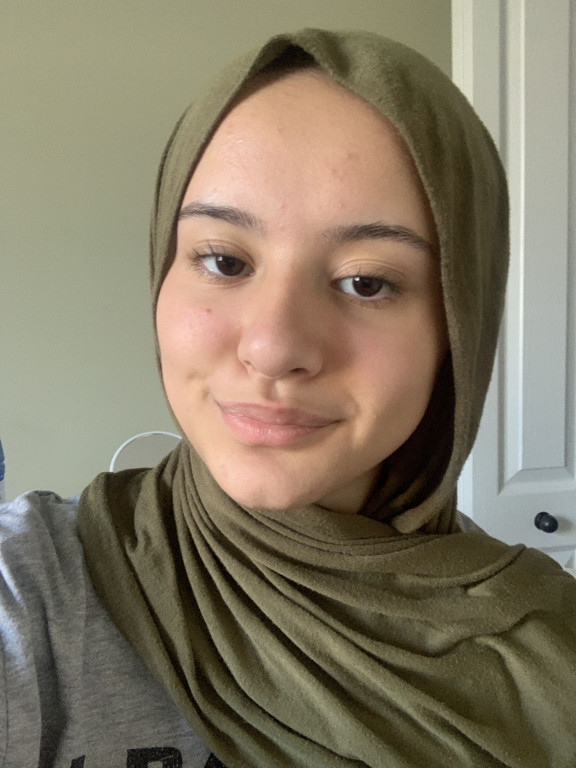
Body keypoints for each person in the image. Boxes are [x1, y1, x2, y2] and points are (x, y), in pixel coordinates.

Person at [1, 28, 575, 768]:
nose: (273, 346)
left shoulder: (550, 654)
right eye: (223, 260)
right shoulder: (34, 593)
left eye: (367, 281)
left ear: (460, 324)